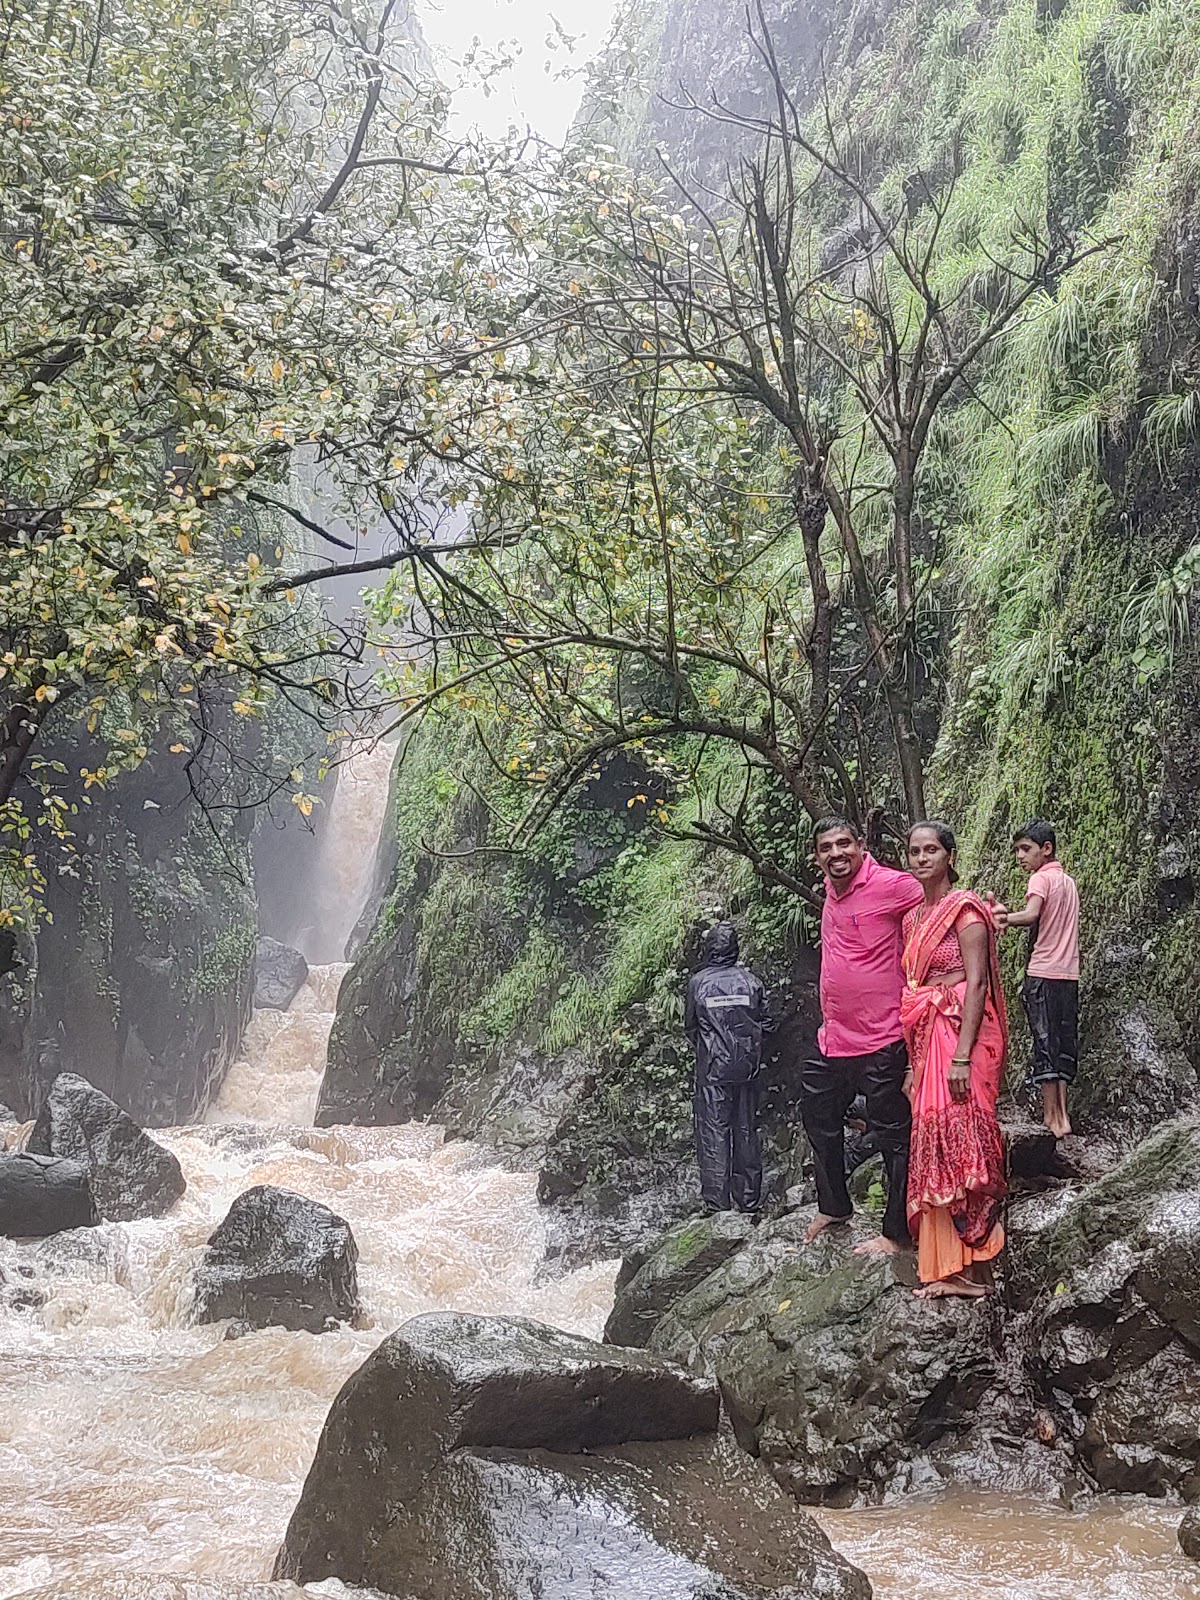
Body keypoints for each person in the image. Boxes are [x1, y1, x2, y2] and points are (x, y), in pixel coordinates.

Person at [802, 817, 924, 1254]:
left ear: (861, 845)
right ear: (817, 856)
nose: (836, 853)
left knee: (894, 1133)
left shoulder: (892, 885)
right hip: (834, 1038)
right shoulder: (831, 895)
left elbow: (938, 899)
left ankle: (897, 1233)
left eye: (843, 844)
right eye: (826, 847)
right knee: (817, 1113)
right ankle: (834, 1205)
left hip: (883, 1037)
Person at [901, 821, 1008, 1299]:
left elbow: (978, 982)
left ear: (949, 856)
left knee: (965, 1134)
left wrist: (962, 1056)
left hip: (963, 1029)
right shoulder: (912, 920)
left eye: (931, 850)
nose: (922, 859)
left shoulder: (966, 911)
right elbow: (914, 992)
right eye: (914, 852)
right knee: (935, 1138)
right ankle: (947, 1268)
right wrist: (913, 1064)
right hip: (927, 1032)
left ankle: (980, 1270)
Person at [998, 818, 1080, 1139]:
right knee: (1062, 1045)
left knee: (1044, 1045)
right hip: (1068, 975)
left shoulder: (1040, 880)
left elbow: (1032, 914)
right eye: (1017, 849)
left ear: (1046, 849)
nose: (1020, 855)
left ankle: (1051, 1119)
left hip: (1043, 974)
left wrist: (1002, 916)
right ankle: (1063, 1118)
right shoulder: (1069, 882)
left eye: (1025, 849)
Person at [685, 921, 767, 1214]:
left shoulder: (698, 983)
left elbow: (690, 1026)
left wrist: (709, 1049)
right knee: (745, 1129)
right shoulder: (751, 981)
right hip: (747, 1066)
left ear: (709, 948)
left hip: (713, 1069)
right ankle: (748, 1200)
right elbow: (765, 1021)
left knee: (714, 1131)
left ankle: (717, 1204)